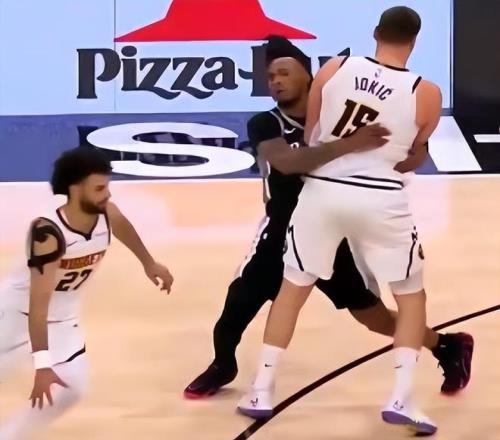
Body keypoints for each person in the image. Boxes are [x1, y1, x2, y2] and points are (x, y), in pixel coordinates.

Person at [185, 36, 473, 405]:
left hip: (335, 231)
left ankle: (446, 345)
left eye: (284, 73)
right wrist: (351, 144)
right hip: (281, 231)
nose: (275, 81)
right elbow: (287, 163)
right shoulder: (265, 123)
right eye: (270, 76)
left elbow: (410, 153)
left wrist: (410, 151)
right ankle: (223, 365)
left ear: (309, 77)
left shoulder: (339, 114)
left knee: (372, 318)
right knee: (236, 307)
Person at [0, 148, 174, 439]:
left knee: (72, 387)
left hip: (62, 319)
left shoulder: (107, 212)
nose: (107, 194)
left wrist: (149, 263)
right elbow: (38, 305)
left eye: (107, 187)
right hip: (17, 316)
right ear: (75, 189)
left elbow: (124, 228)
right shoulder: (48, 233)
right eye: (99, 188)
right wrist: (42, 365)